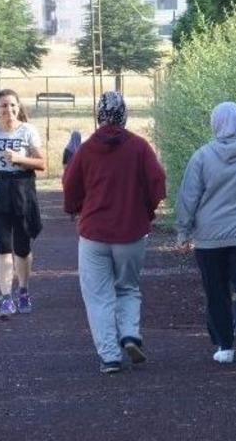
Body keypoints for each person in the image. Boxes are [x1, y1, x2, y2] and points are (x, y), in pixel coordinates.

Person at [62, 91, 166, 374]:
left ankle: (109, 356)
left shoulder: (85, 149)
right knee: (128, 288)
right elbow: (158, 184)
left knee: (98, 296)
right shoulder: (140, 147)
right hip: (131, 234)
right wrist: (146, 211)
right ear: (125, 115)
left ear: (98, 115)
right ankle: (130, 335)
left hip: (94, 233)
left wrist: (74, 208)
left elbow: (70, 187)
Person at [175, 102, 236, 369]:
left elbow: (189, 196)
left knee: (216, 290)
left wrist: (183, 231)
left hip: (210, 237)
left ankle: (225, 347)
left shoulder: (202, 156)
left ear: (215, 123)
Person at [0, 89, 46, 320]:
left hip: (22, 191)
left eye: (12, 105)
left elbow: (42, 163)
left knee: (22, 248)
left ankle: (23, 291)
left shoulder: (28, 131)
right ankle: (6, 298)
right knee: (2, 247)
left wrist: (19, 159)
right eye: (4, 106)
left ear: (19, 107)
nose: (9, 110)